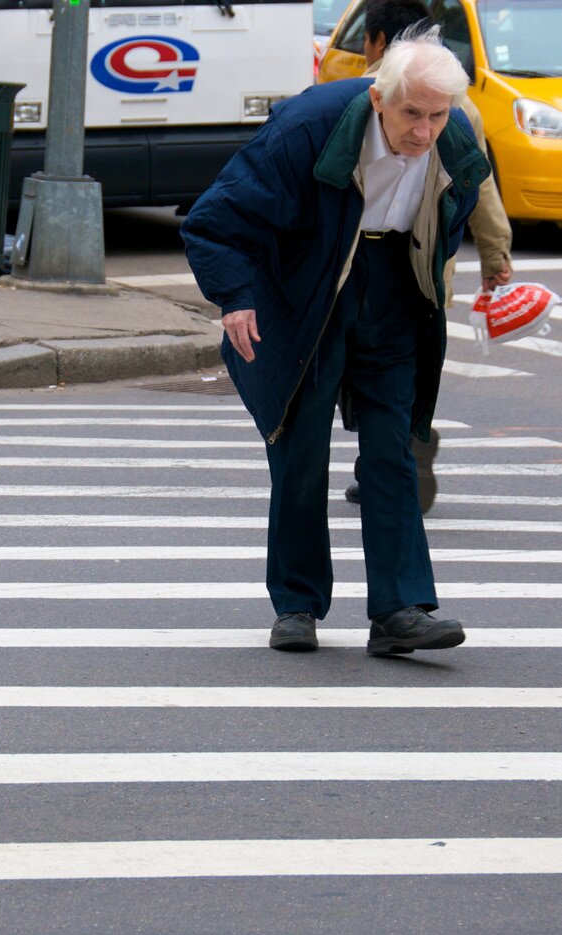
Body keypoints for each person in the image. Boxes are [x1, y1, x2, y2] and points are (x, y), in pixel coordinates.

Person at [182, 29, 487, 656]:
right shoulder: (308, 126)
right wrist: (237, 299)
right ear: (380, 98)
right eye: (412, 114)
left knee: (392, 447)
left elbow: (453, 219)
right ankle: (297, 605)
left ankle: (400, 609)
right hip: (307, 291)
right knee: (299, 446)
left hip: (396, 291)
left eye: (437, 115)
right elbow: (214, 220)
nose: (425, 131)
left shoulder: (453, 140)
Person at [344, 0, 513, 508]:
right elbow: (481, 189)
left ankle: (401, 459)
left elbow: (473, 182)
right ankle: (400, 454)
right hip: (429, 269)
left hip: (376, 270)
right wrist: (494, 254)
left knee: (377, 369)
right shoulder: (457, 101)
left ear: (376, 41)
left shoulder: (366, 96)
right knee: (402, 367)